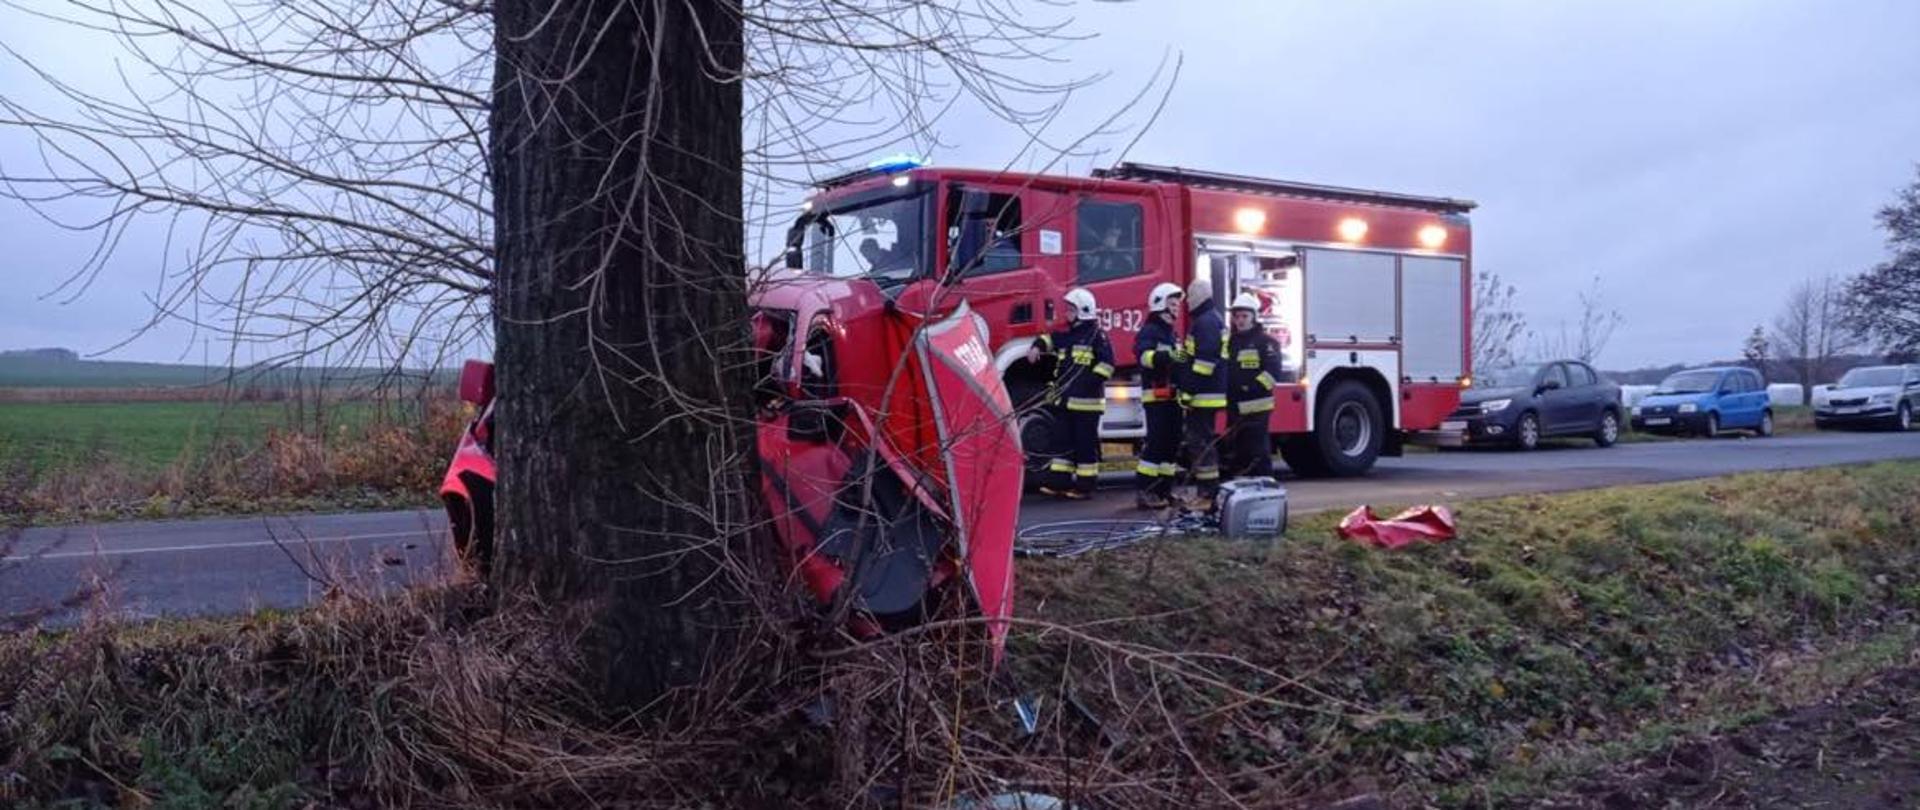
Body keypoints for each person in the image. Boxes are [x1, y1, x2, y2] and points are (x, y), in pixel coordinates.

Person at [1028, 287, 1113, 499]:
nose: (1067, 313)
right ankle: (1059, 483)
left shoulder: (1096, 336)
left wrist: (1086, 383)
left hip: (1087, 404)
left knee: (1085, 446)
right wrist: (1037, 346)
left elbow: (1108, 365)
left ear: (1083, 310)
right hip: (1065, 403)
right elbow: (1050, 340)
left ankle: (1085, 487)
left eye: (1071, 309)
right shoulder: (1069, 335)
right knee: (1062, 443)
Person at [1177, 276, 1228, 507]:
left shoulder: (1205, 323)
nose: (1187, 302)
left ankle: (1207, 493)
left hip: (1204, 394)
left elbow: (1204, 363)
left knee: (1201, 442)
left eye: (1190, 297)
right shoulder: (1209, 320)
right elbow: (1191, 356)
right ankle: (1207, 491)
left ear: (1199, 296)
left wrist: (1188, 390)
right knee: (1200, 441)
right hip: (1207, 392)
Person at [1225, 292, 1287, 479]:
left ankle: (1265, 484)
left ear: (1254, 316)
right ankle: (1244, 488)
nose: (1240, 320)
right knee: (1238, 450)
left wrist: (1251, 388)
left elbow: (1272, 373)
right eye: (1237, 316)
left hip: (1258, 406)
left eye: (1244, 316)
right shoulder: (1230, 342)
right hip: (1235, 406)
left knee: (1257, 450)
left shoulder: (1266, 342)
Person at [1133, 282, 1184, 509]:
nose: (1176, 309)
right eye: (1173, 304)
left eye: (1177, 304)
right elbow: (1143, 357)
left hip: (1172, 398)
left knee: (1171, 444)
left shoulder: (1170, 333)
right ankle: (1145, 491)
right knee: (1156, 444)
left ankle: (1164, 491)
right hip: (1156, 397)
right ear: (1160, 305)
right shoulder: (1150, 330)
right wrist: (1169, 357)